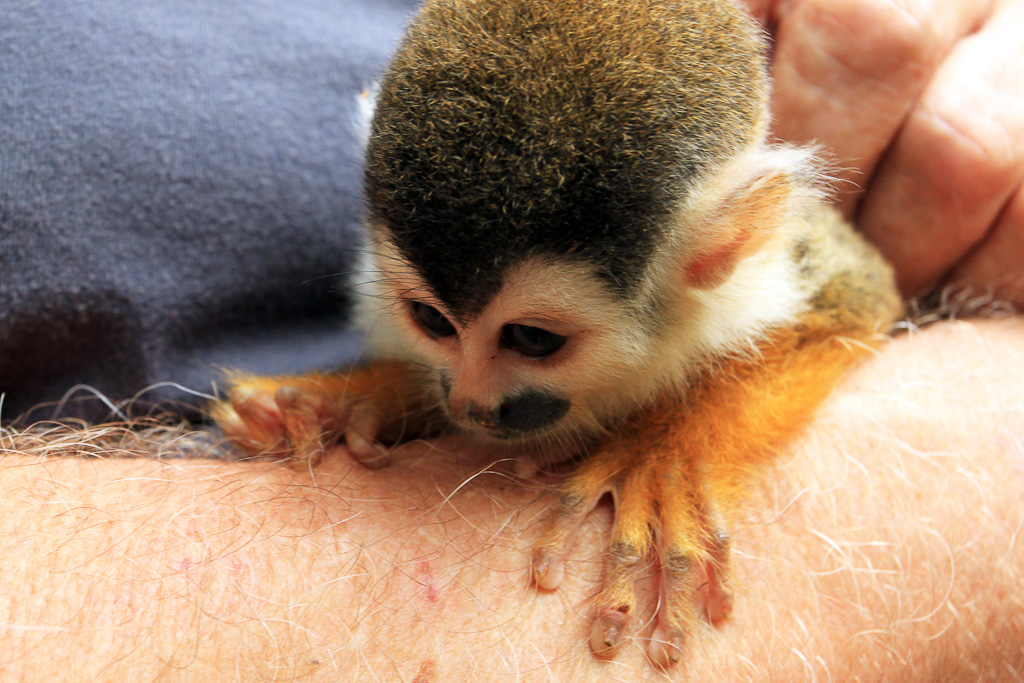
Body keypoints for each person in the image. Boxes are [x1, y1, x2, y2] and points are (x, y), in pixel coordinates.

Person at [0, 0, 1021, 679]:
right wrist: (379, 388)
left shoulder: (762, 260)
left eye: (533, 335)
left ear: (720, 248)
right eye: (431, 322)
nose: (470, 395)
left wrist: (694, 449)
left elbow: (850, 310)